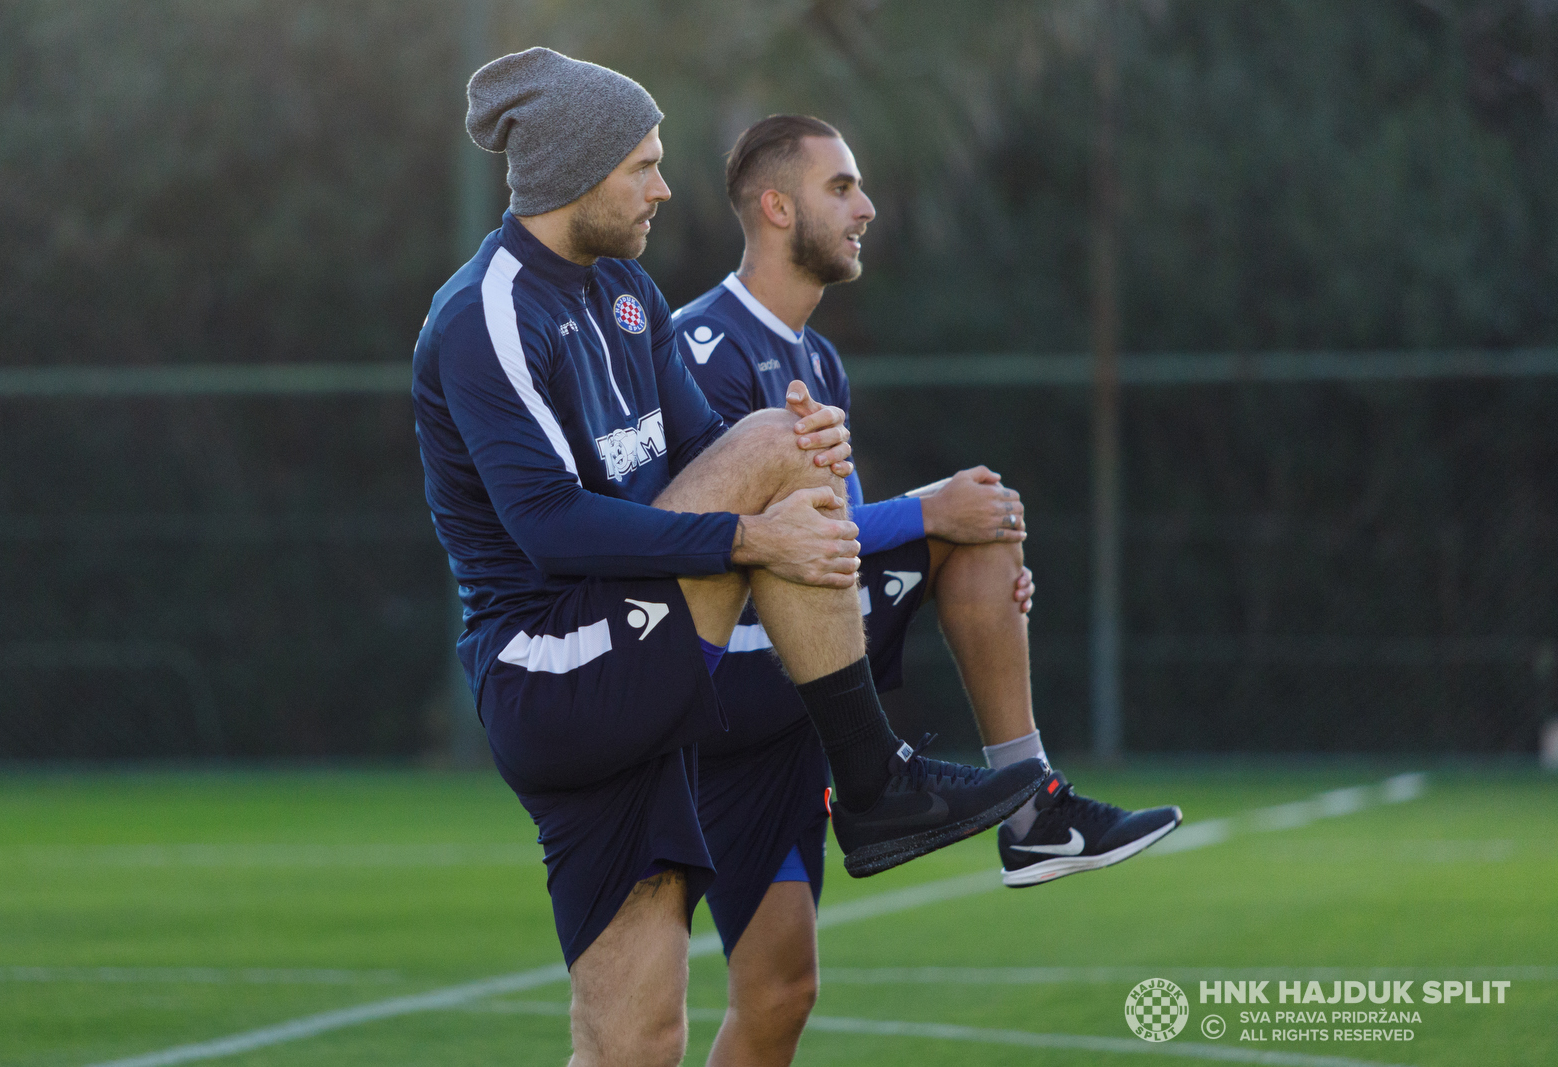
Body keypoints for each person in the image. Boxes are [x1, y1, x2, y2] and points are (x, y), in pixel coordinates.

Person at [411, 52, 1048, 1067]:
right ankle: (874, 779)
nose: (663, 187)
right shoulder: (486, 311)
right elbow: (548, 526)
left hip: (637, 656)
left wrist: (811, 457)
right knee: (778, 451)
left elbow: (713, 442)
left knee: (633, 1044)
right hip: (553, 666)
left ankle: (875, 778)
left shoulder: (623, 292)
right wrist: (756, 527)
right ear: (576, 173)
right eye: (642, 166)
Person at [673, 114, 1183, 1066]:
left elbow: (846, 547)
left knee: (782, 991)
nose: (866, 207)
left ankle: (1035, 816)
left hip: (802, 677)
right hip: (727, 675)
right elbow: (750, 546)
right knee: (643, 1009)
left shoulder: (819, 361)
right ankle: (1031, 814)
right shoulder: (702, 347)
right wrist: (930, 518)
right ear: (776, 207)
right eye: (841, 187)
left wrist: (974, 581)